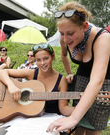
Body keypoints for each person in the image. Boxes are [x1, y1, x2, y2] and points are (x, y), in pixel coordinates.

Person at [47, 1, 110, 135]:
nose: (65, 39)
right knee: (80, 124)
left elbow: (97, 81)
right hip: (82, 75)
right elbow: (64, 55)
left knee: (93, 126)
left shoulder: (102, 38)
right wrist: (69, 72)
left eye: (70, 33)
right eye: (61, 33)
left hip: (103, 80)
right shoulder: (63, 38)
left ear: (85, 26)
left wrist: (73, 117)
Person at [0, 43, 74, 135]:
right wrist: (11, 86)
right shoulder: (32, 73)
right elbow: (1, 72)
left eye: (46, 58)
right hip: (28, 117)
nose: (42, 63)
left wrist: (82, 108)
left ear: (52, 57)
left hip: (50, 119)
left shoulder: (61, 80)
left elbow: (63, 108)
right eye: (38, 60)